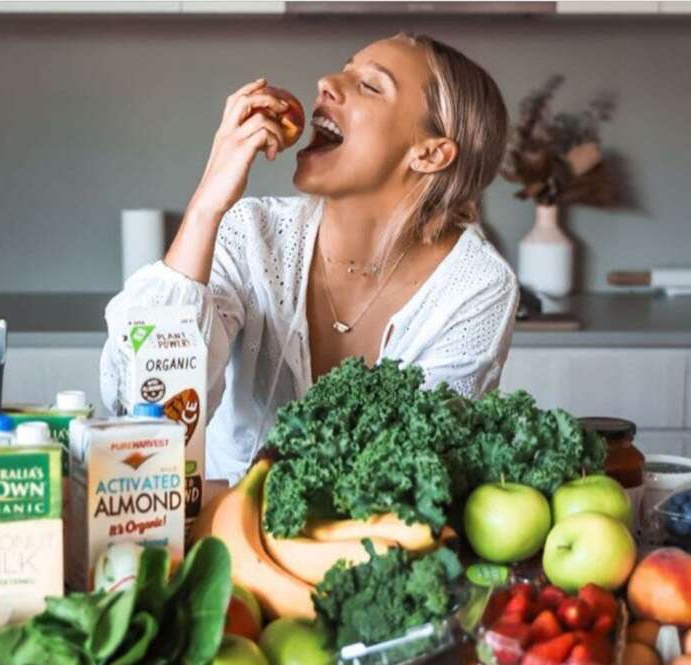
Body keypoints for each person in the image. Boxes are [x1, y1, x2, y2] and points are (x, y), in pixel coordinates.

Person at [101, 32, 518, 484]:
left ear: (430, 153)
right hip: (222, 533)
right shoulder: (251, 235)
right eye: (345, 67)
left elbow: (413, 474)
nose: (326, 82)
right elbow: (145, 416)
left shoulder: (475, 285)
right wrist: (206, 206)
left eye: (371, 86)